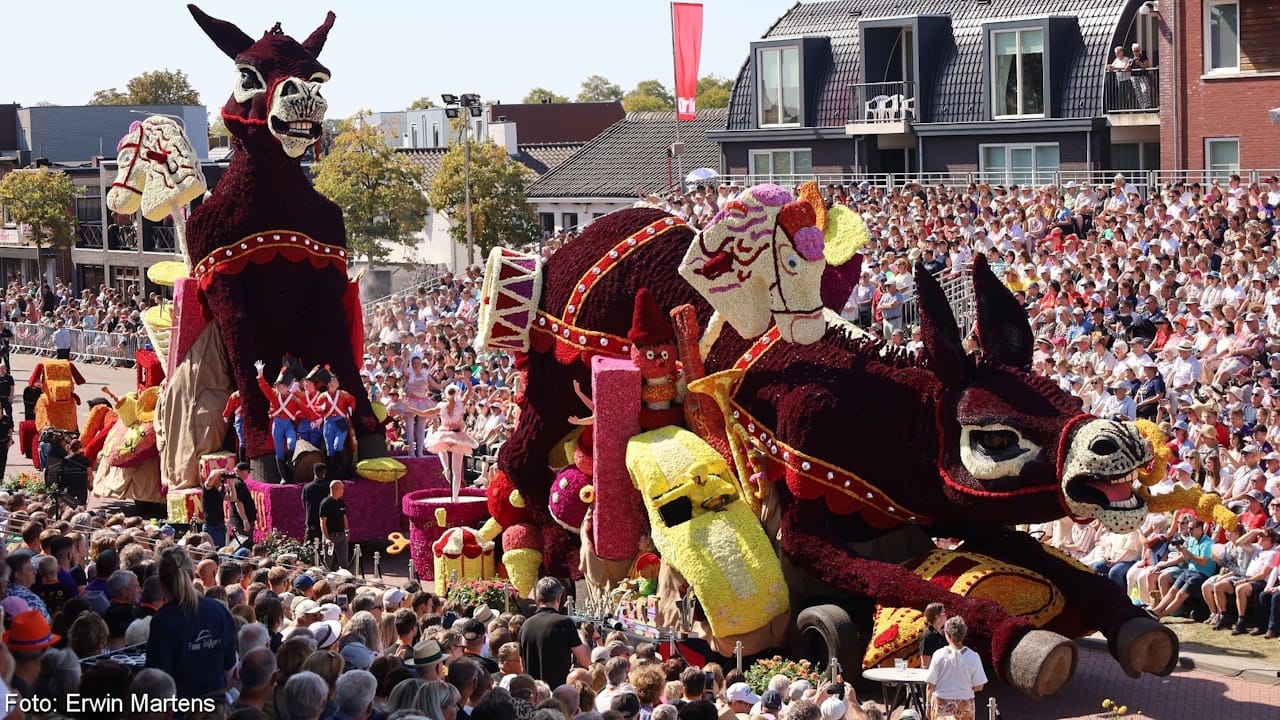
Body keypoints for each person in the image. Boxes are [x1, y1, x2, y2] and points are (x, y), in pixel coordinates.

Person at [146, 545, 237, 701]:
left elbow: (158, 677)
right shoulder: (218, 610)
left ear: (161, 583)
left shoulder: (162, 621)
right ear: (192, 575)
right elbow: (230, 662)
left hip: (181, 709)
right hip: (215, 707)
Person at [520, 577, 590, 684]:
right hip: (559, 694)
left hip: (535, 694)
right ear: (559, 598)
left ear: (537, 599)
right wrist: (582, 637)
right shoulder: (565, 624)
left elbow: (523, 668)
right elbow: (586, 661)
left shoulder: (525, 625)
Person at [924, 616, 986, 720]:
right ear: (963, 634)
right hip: (965, 704)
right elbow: (979, 686)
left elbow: (931, 685)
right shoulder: (973, 656)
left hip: (941, 703)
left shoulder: (938, 655)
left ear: (947, 635)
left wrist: (928, 705)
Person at [427, 385, 478, 502]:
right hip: (454, 435)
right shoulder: (457, 404)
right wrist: (465, 381)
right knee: (456, 471)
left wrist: (410, 409)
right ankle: (454, 497)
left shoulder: (451, 405)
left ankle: (446, 469)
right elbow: (469, 390)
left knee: (440, 447)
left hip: (450, 434)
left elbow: (425, 412)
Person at [319, 480, 349, 571]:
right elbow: (322, 521)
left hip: (341, 535)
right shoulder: (325, 503)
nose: (343, 490)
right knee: (328, 561)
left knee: (344, 561)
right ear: (336, 489)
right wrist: (327, 538)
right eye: (342, 488)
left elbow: (344, 517)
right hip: (331, 536)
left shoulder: (341, 502)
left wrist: (347, 531)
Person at [227, 463, 258, 549]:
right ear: (241, 472)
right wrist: (245, 520)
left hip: (241, 520)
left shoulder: (237, 482)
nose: (248, 473)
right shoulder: (238, 484)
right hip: (241, 521)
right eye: (247, 471)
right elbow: (238, 502)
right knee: (244, 544)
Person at [303, 464, 330, 543]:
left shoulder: (307, 487)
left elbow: (304, 503)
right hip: (325, 522)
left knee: (309, 548)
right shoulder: (327, 486)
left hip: (311, 520)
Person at [202, 470, 228, 549]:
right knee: (215, 549)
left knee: (222, 549)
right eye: (220, 478)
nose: (221, 480)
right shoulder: (208, 490)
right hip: (211, 525)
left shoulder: (220, 490)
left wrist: (232, 483)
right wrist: (221, 471)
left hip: (220, 525)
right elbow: (211, 477)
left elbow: (233, 498)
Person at [918, 602, 947, 667]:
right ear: (937, 617)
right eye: (944, 613)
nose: (946, 615)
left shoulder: (944, 634)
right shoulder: (927, 636)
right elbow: (925, 665)